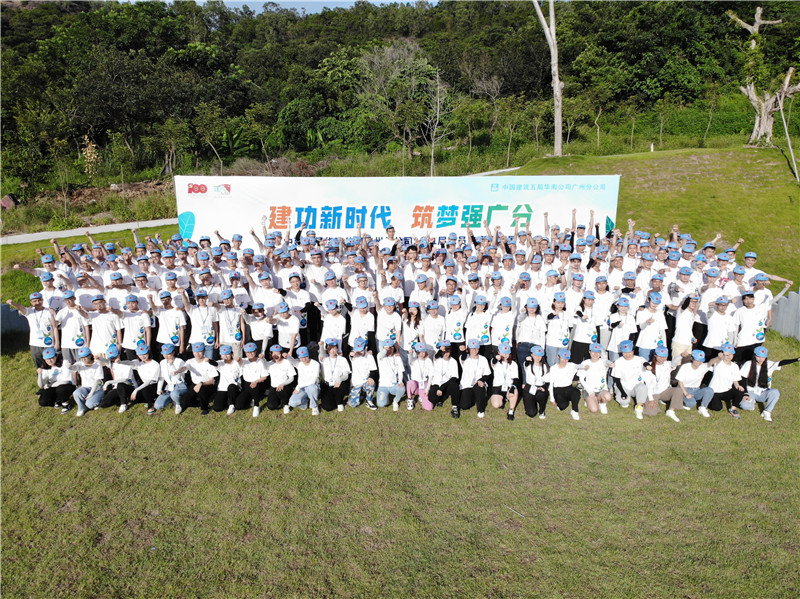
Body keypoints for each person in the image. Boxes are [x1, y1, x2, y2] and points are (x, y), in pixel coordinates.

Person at [738, 346, 799, 422]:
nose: (761, 359)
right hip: (750, 391)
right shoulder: (748, 364)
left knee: (775, 392)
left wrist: (797, 359)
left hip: (763, 391)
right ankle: (752, 402)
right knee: (744, 405)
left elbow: (781, 363)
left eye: (763, 357)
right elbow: (743, 379)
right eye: (758, 356)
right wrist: (745, 393)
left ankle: (767, 411)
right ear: (755, 356)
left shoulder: (769, 364)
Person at [7, 293, 60, 368]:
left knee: (52, 365)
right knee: (39, 367)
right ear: (31, 302)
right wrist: (13, 303)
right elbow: (21, 308)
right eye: (34, 301)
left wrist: (57, 343)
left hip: (48, 343)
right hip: (35, 344)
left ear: (42, 300)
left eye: (39, 300)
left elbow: (55, 327)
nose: (37, 303)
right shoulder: (29, 311)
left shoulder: (49, 312)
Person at [698, 343, 746, 419]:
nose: (729, 356)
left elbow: (735, 380)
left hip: (727, 390)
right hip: (715, 391)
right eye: (726, 354)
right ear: (722, 354)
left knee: (740, 391)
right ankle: (706, 398)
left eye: (731, 354)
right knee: (717, 408)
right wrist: (718, 357)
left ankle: (733, 409)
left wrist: (737, 385)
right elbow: (710, 363)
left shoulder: (735, 366)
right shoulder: (718, 362)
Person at [457, 339, 492, 419]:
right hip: (466, 385)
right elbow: (463, 356)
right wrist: (463, 351)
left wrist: (481, 380)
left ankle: (480, 410)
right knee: (464, 406)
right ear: (468, 349)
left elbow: (487, 374)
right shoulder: (464, 358)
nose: (474, 350)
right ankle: (473, 398)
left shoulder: (483, 359)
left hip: (478, 383)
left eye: (476, 348)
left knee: (479, 388)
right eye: (472, 348)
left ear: (479, 348)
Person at [577, 342, 612, 415]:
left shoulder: (603, 362)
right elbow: (582, 379)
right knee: (594, 409)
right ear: (589, 352)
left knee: (608, 396)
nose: (595, 354)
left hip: (601, 390)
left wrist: (611, 364)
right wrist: (590, 391)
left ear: (600, 353)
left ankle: (602, 404)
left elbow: (608, 362)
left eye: (598, 352)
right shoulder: (585, 363)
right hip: (589, 390)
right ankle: (590, 400)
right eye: (593, 352)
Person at [69, 347, 105, 417]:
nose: (83, 359)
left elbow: (97, 381)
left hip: (97, 388)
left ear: (90, 355)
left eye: (85, 357)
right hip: (85, 387)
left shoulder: (97, 364)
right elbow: (74, 368)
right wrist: (69, 366)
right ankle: (81, 408)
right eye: (81, 358)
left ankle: (98, 401)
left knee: (90, 404)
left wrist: (91, 393)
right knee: (76, 393)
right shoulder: (79, 364)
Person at [488, 344, 521, 420]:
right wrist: (496, 358)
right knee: (496, 405)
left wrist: (513, 387)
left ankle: (511, 410)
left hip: (508, 386)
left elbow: (516, 378)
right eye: (503, 353)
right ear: (499, 352)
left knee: (515, 391)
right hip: (497, 386)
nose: (505, 355)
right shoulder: (495, 361)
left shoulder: (513, 364)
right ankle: (502, 399)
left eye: (507, 353)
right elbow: (493, 362)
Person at [286, 346, 321, 415]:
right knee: (292, 402)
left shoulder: (315, 364)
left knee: (312, 388)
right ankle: (305, 404)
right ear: (299, 357)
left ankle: (314, 406)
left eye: (305, 356)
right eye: (301, 357)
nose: (304, 359)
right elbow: (292, 360)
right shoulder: (299, 363)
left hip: (312, 386)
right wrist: (287, 356)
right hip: (302, 388)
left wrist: (298, 387)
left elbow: (313, 380)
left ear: (308, 355)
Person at [154, 344, 188, 413]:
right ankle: (172, 399)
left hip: (180, 385)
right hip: (169, 386)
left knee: (174, 394)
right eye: (164, 354)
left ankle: (178, 403)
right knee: (158, 405)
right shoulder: (162, 362)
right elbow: (162, 377)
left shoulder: (180, 361)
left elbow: (179, 378)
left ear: (173, 352)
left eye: (168, 354)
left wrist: (171, 365)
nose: (166, 356)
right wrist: (159, 389)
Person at [319, 338, 351, 412]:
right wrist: (321, 346)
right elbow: (322, 354)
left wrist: (339, 380)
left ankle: (340, 402)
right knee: (327, 407)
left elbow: (346, 374)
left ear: (337, 348)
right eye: (330, 348)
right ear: (327, 349)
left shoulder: (342, 359)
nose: (332, 351)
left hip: (338, 384)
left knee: (340, 389)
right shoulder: (324, 359)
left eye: (334, 348)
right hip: (327, 384)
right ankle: (334, 400)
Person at [375, 340, 406, 410]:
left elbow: (400, 371)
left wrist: (400, 381)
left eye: (390, 348)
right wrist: (385, 349)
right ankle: (386, 398)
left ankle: (395, 401)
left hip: (393, 384)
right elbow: (381, 354)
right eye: (387, 348)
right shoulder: (380, 356)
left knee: (402, 388)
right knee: (381, 404)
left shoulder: (397, 358)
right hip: (383, 385)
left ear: (393, 348)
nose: (389, 350)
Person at [347, 336, 377, 409]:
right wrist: (352, 353)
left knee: (372, 383)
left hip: (366, 380)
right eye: (358, 350)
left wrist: (371, 377)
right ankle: (361, 394)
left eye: (361, 350)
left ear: (365, 347)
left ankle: (369, 400)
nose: (360, 352)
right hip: (356, 383)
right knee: (352, 404)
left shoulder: (369, 356)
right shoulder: (354, 356)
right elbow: (351, 355)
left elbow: (373, 369)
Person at [521, 345, 550, 419]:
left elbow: (547, 381)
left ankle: (542, 410)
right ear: (532, 355)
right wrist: (527, 360)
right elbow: (526, 364)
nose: (538, 358)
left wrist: (544, 387)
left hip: (540, 387)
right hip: (530, 387)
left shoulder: (545, 366)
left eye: (540, 356)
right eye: (536, 355)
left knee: (543, 394)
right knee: (531, 413)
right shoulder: (527, 364)